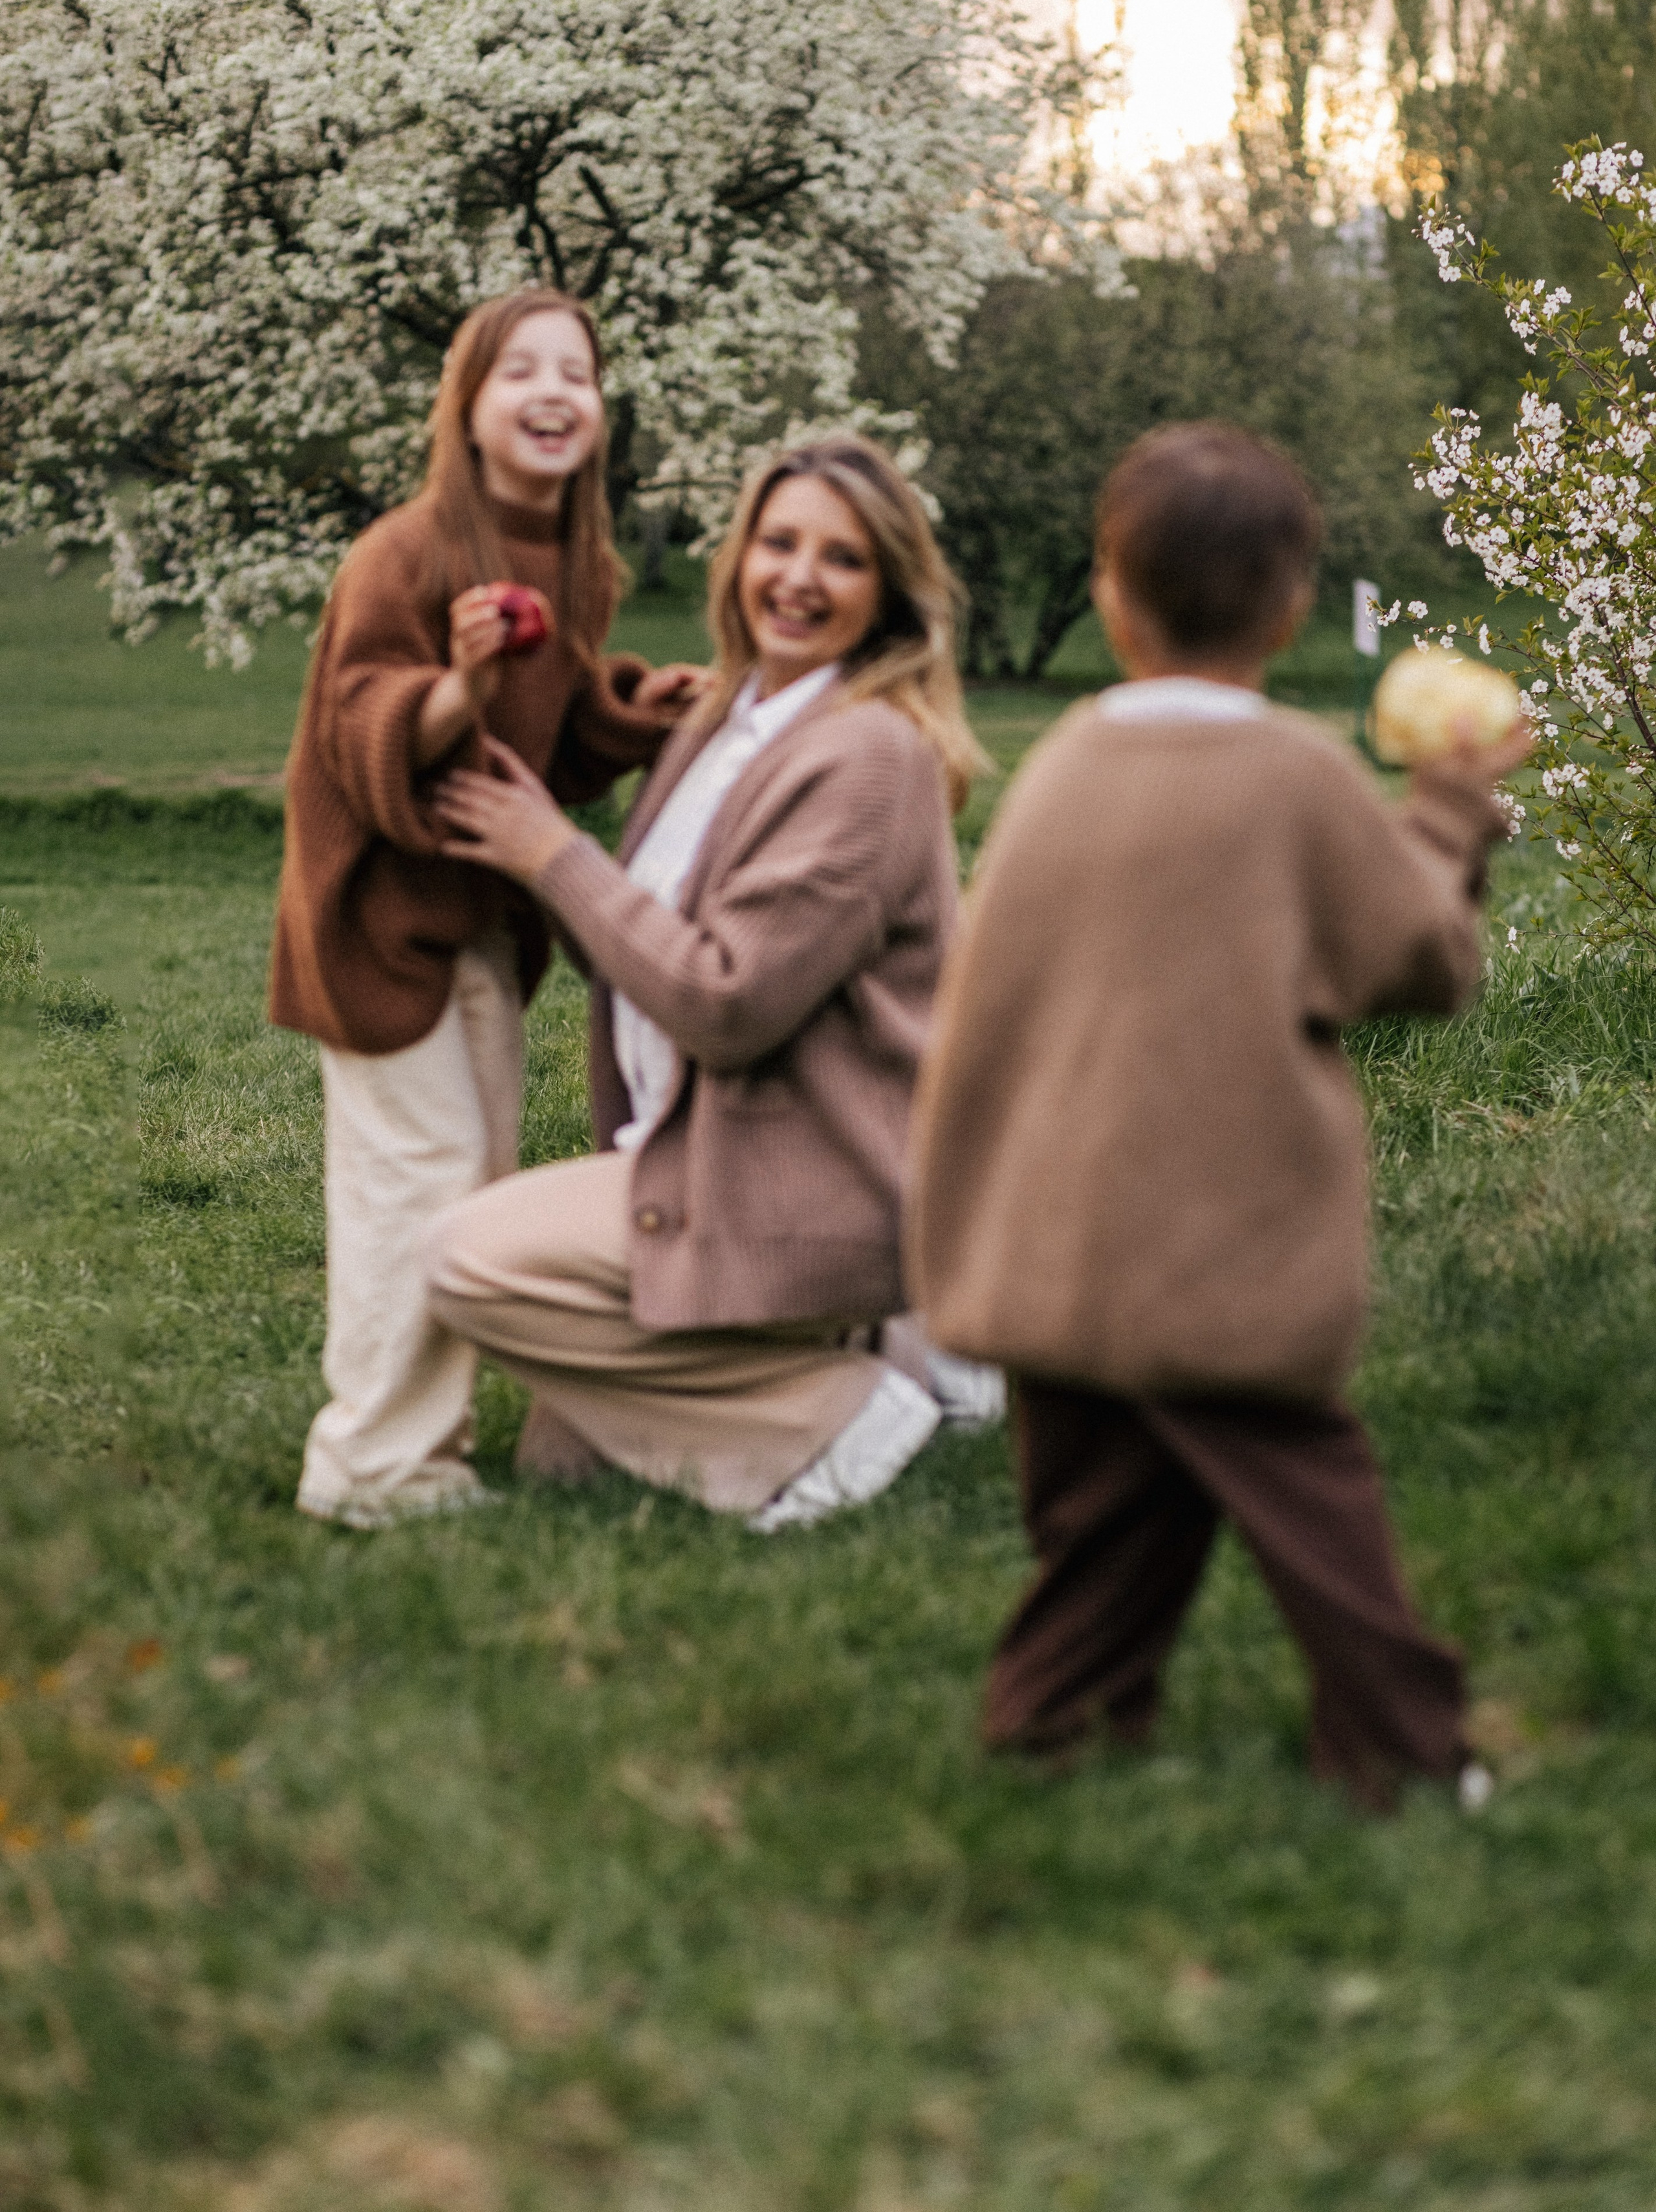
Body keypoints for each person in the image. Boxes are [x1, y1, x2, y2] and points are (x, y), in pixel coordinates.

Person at [906, 422, 1530, 1810]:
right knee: (1309, 1504)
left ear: (1110, 598)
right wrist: (1445, 812)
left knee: (1098, 1511)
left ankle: (1052, 1716)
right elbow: (1412, 962)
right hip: (1218, 1245)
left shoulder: (1060, 765)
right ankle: (1400, 1751)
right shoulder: (1294, 775)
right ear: (1292, 603)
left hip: (1055, 1231)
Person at [423, 433, 990, 1529]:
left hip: (813, 1178)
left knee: (466, 1258)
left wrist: (552, 854)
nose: (798, 577)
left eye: (842, 558)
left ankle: (844, 1411)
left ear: (889, 595)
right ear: (737, 560)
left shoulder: (869, 754)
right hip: (694, 1149)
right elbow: (637, 954)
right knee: (564, 1466)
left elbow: (725, 1005)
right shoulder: (727, 721)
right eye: (778, 543)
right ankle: (895, 1354)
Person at [271, 287, 702, 1529]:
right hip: (374, 924)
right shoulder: (404, 554)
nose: (556, 392)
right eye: (522, 372)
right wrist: (457, 682)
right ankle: (372, 1468)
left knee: (476, 1189)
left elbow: (551, 722)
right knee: (420, 1184)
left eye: (579, 372)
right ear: (466, 407)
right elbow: (363, 727)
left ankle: (428, 1441)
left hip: (475, 928)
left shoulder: (575, 559)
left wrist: (636, 708)